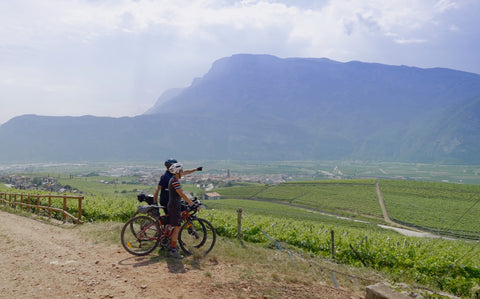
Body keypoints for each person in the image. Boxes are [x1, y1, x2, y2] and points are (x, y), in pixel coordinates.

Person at [167, 162, 200, 259]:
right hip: (174, 206)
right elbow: (181, 194)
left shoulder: (174, 178)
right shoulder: (175, 181)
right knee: (177, 228)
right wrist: (192, 204)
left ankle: (169, 243)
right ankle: (173, 250)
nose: (182, 172)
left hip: (174, 204)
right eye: (181, 171)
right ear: (177, 172)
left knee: (173, 226)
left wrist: (195, 169)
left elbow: (186, 172)